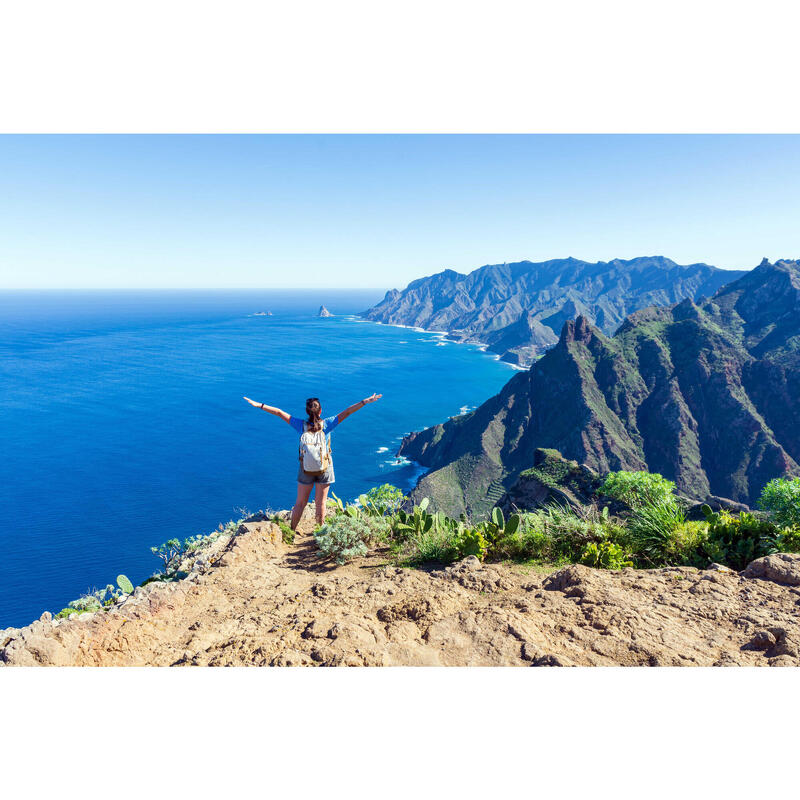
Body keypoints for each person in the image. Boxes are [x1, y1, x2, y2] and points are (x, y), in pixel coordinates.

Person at [243, 393, 382, 530]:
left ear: (307, 412)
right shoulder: (327, 424)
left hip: (305, 469)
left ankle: (291, 531)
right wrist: (365, 401)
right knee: (321, 504)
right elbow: (347, 412)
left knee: (300, 503)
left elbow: (279, 412)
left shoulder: (301, 425)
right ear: (321, 411)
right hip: (325, 468)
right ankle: (319, 534)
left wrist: (259, 405)